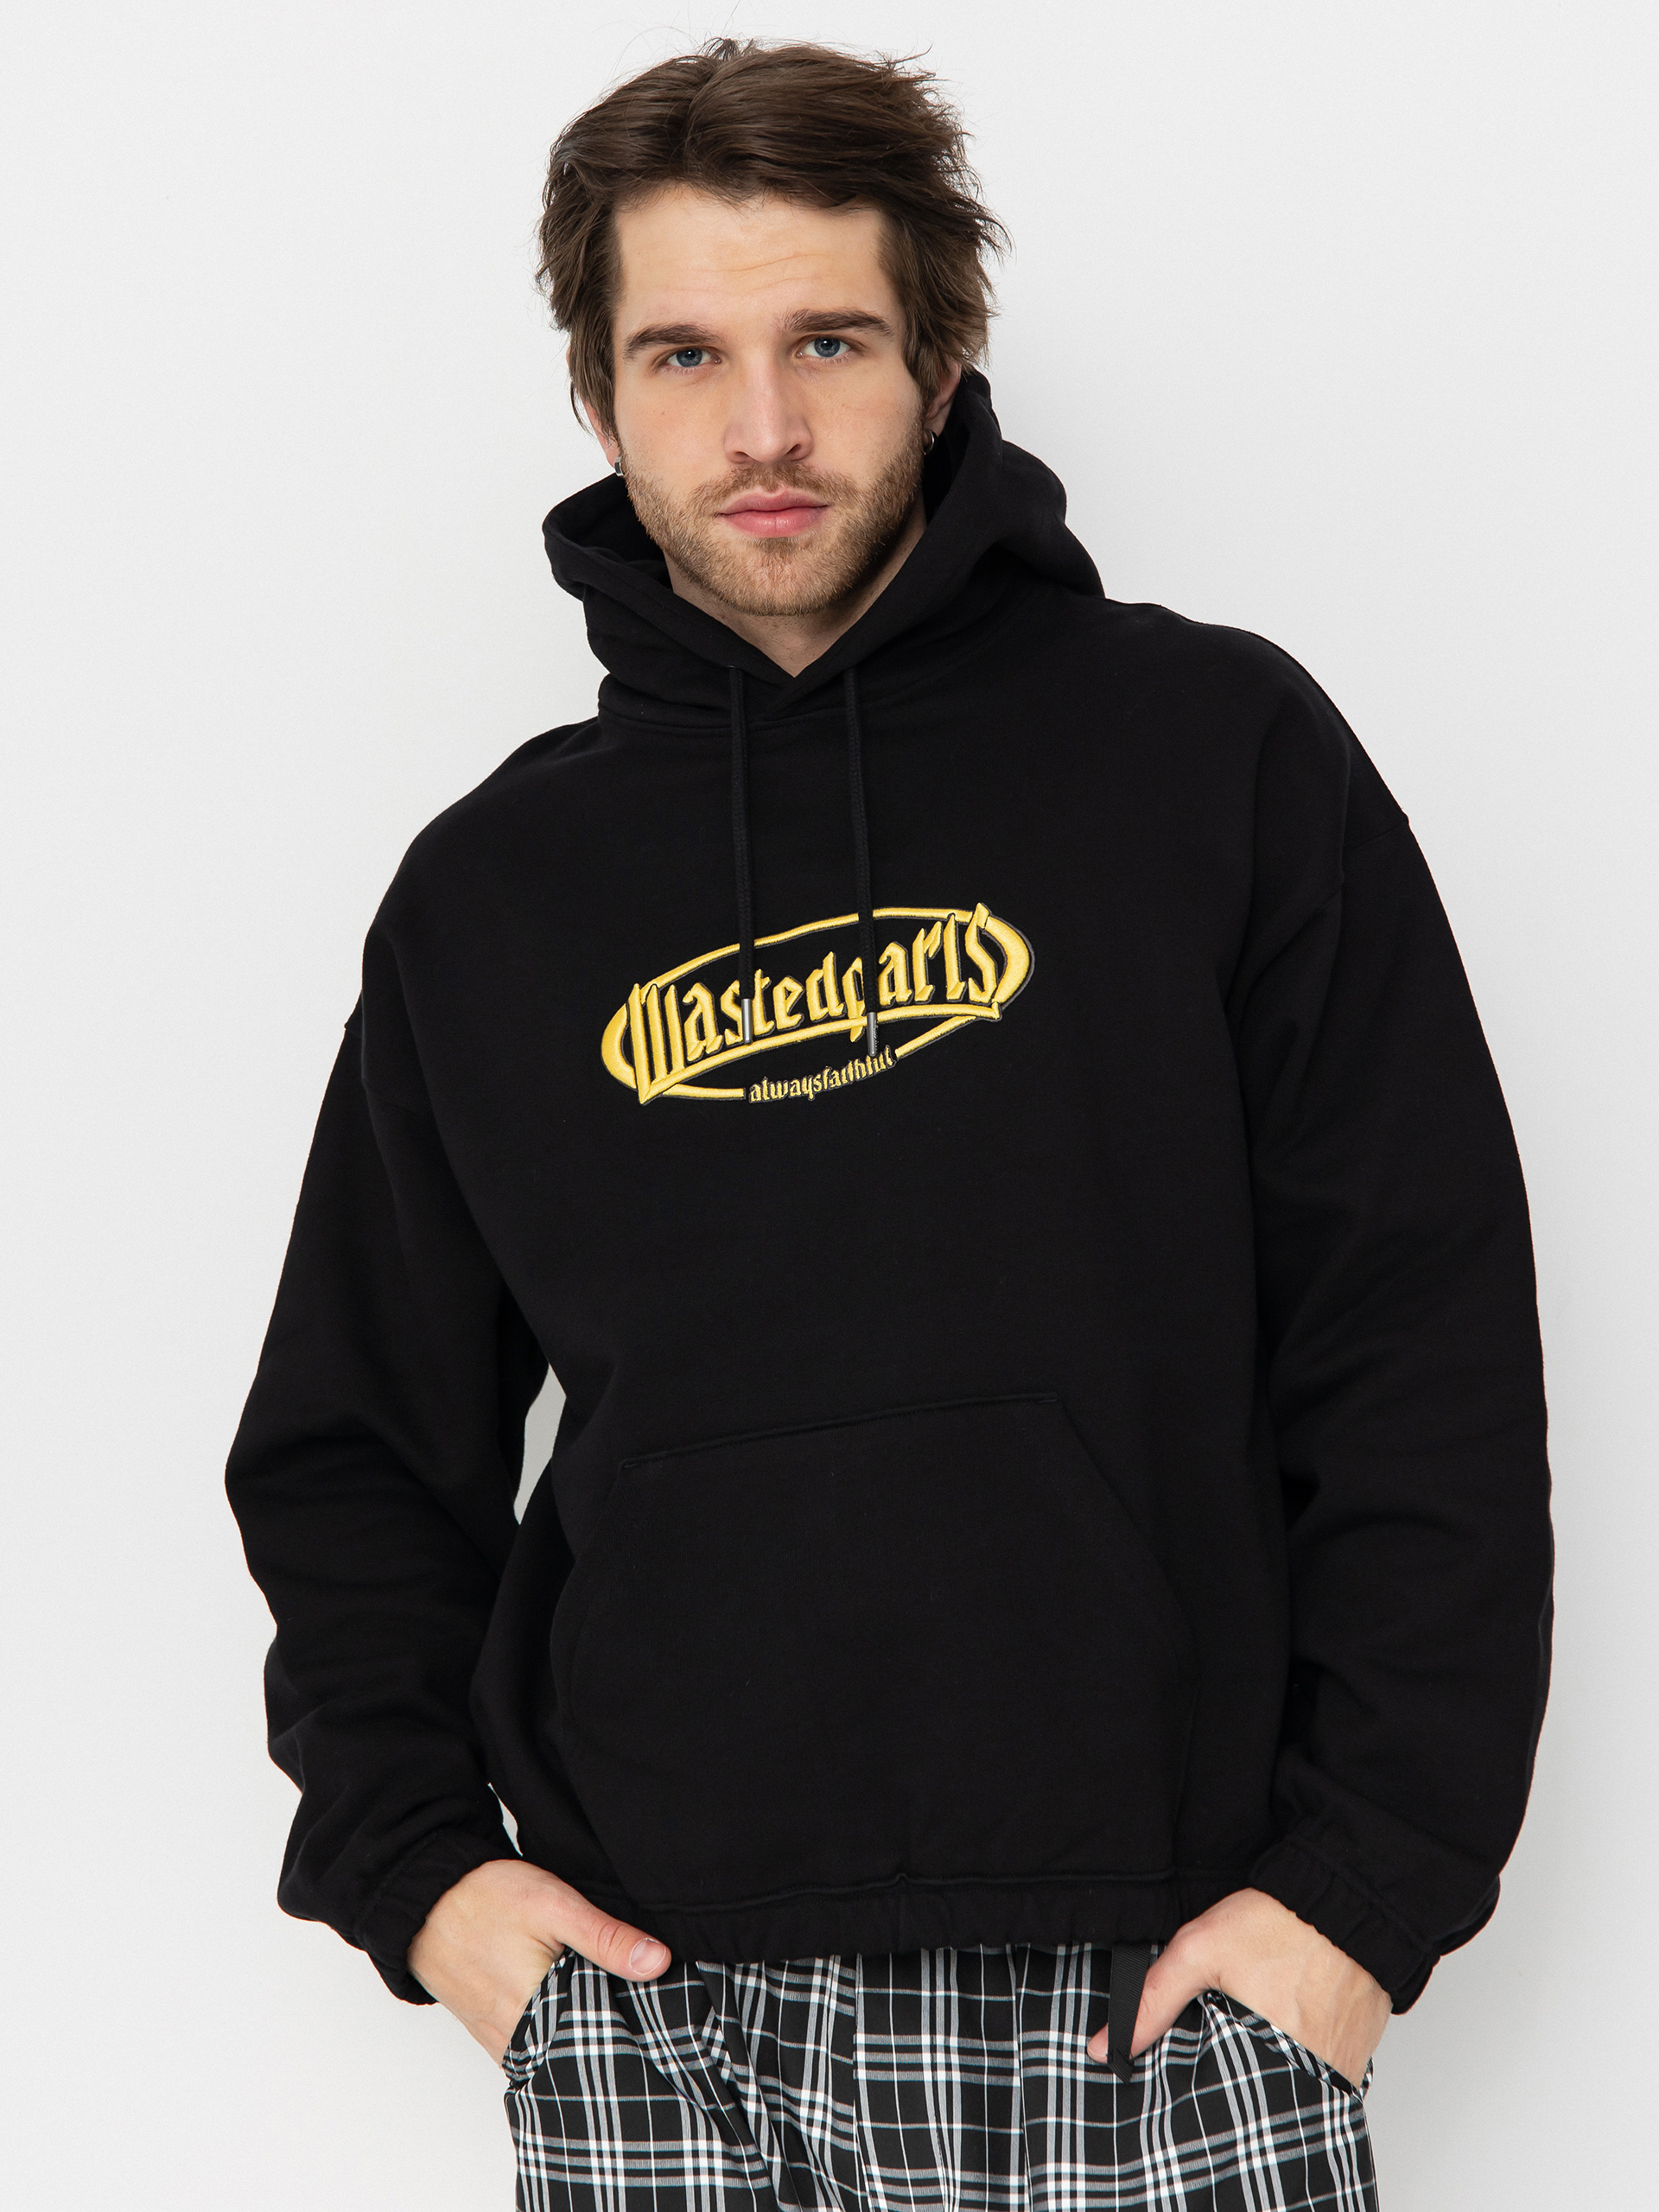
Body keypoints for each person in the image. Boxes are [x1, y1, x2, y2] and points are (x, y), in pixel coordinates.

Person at [226, 38, 1553, 2211]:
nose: (762, 425)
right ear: (598, 396)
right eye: (685, 353)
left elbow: (1421, 1350)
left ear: (940, 362)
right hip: (666, 2011)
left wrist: (1364, 1890)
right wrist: (424, 1876)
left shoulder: (1216, 759)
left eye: (828, 341)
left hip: (1169, 1997)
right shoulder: (491, 898)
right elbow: (352, 1445)